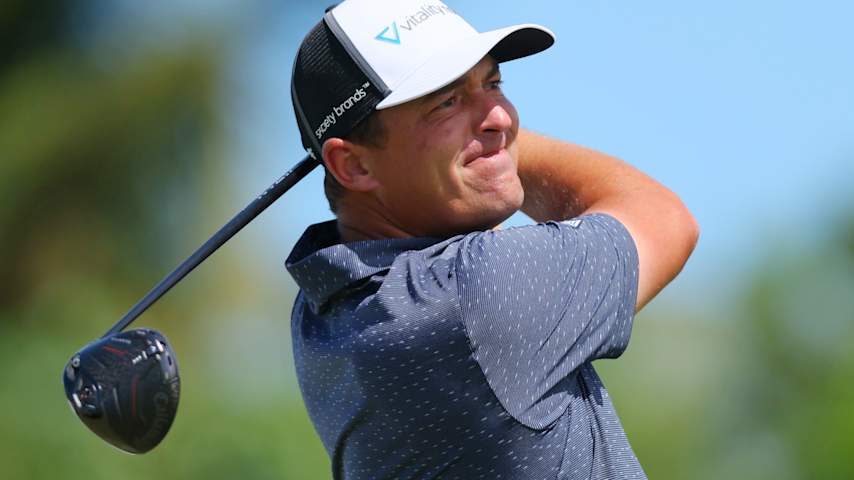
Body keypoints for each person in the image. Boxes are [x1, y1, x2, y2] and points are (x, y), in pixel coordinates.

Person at [285, 0, 699, 478]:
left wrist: (477, 147)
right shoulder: (475, 291)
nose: (500, 117)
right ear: (353, 165)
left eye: (494, 83)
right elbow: (665, 218)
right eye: (445, 101)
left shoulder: (319, 311)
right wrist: (496, 150)